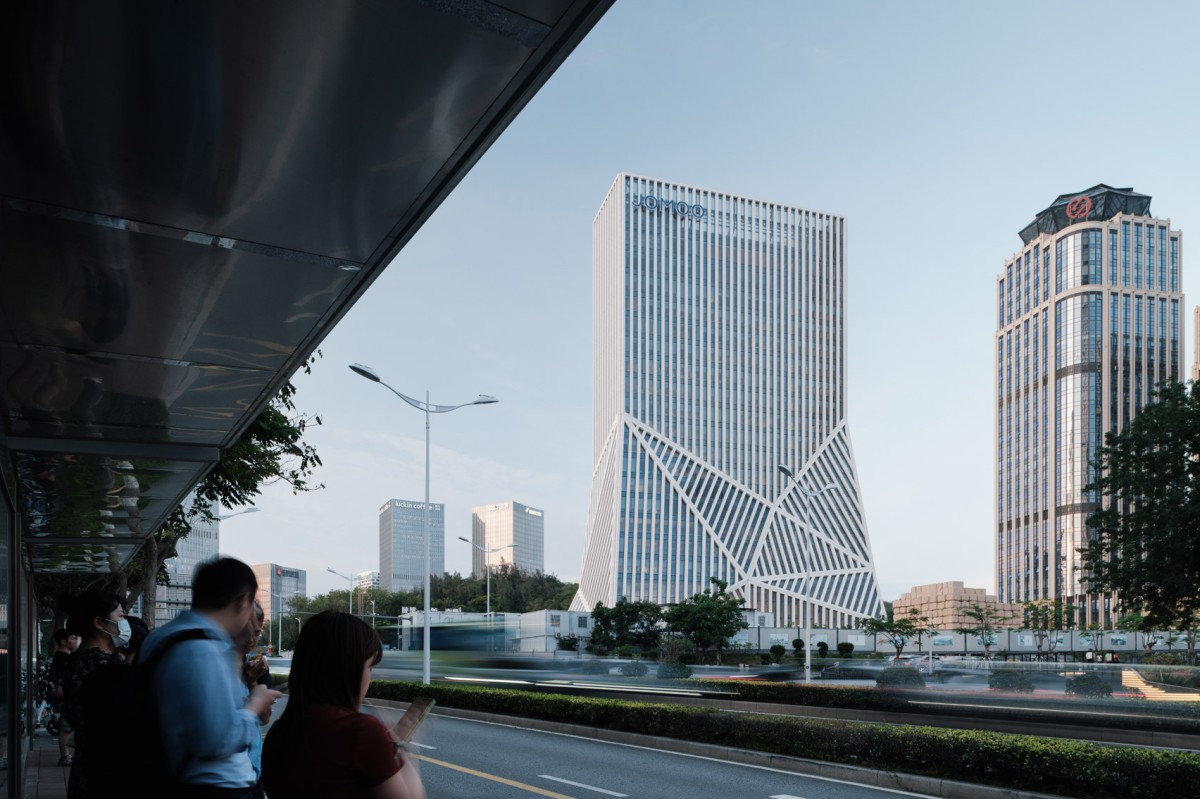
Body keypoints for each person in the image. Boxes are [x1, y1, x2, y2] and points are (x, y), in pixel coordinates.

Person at [139, 557, 280, 798]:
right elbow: (218, 741)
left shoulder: (163, 637)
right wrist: (255, 704)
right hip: (214, 788)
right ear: (243, 601)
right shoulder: (203, 649)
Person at [262, 610, 426, 799]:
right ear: (351, 670)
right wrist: (400, 749)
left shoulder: (277, 735)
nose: (369, 677)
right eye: (370, 668)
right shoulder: (360, 731)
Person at [58, 591, 130, 798]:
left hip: (85, 765)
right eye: (120, 616)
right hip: (108, 772)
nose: (124, 623)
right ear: (99, 622)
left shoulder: (75, 662)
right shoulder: (105, 667)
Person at [48, 629, 80, 765]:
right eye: (73, 638)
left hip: (67, 696)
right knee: (66, 727)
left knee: (68, 726)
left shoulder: (61, 656)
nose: (75, 641)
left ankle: (66, 755)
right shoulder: (63, 657)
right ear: (63, 642)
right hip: (66, 697)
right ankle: (64, 756)